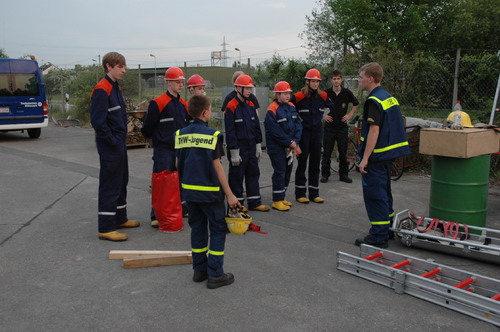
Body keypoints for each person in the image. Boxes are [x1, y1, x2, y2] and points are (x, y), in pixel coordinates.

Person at [175, 94, 240, 289]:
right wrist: (230, 194)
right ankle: (216, 274)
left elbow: (178, 164)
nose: (211, 112)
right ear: (205, 113)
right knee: (218, 230)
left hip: (189, 193)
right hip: (210, 193)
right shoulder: (213, 135)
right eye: (210, 109)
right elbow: (218, 167)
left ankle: (199, 270)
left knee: (198, 229)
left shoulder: (180, 134)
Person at [354, 62, 410, 248]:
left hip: (377, 156)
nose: (359, 80)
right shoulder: (388, 97)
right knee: (385, 192)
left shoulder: (374, 100)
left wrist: (365, 158)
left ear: (371, 78)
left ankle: (378, 236)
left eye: (361, 77)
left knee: (375, 195)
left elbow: (374, 131)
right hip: (389, 154)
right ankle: (388, 229)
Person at [90, 52, 140, 241]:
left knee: (121, 181)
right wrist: (111, 141)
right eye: (120, 67)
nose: (124, 70)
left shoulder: (115, 87)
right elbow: (98, 122)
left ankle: (120, 218)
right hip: (110, 145)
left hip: (119, 143)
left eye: (124, 66)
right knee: (110, 184)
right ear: (109, 66)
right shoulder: (102, 89)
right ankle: (106, 227)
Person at [142, 67, 191, 227]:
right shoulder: (159, 103)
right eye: (177, 81)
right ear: (168, 82)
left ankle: (179, 209)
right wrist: (158, 140)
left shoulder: (183, 105)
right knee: (162, 181)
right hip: (164, 150)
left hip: (180, 149)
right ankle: (155, 215)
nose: (180, 85)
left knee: (180, 181)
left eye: (182, 82)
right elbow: (147, 128)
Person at [224, 74, 270, 212]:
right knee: (236, 176)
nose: (250, 91)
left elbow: (256, 126)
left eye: (250, 88)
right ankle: (237, 205)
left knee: (253, 173)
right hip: (238, 147)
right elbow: (230, 130)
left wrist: (258, 144)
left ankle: (254, 202)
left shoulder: (250, 104)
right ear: (238, 88)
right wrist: (233, 151)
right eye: (247, 88)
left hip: (251, 146)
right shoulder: (231, 106)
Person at [291, 68, 334, 204]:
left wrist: (323, 114)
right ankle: (300, 193)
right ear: (307, 81)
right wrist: (296, 121)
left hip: (317, 133)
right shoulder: (299, 96)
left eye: (317, 81)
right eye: (312, 81)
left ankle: (314, 193)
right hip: (303, 134)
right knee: (302, 164)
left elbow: (331, 106)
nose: (315, 84)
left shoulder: (323, 96)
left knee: (315, 164)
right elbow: (289, 108)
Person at [264, 81, 303, 211]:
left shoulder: (291, 106)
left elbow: (298, 125)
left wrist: (295, 141)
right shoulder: (272, 109)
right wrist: (289, 142)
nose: (287, 96)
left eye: (288, 93)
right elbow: (275, 131)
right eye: (285, 93)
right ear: (277, 94)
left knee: (287, 171)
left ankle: (282, 196)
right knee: (280, 171)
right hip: (277, 147)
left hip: (290, 145)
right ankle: (277, 200)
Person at [321, 70, 359, 184]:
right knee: (327, 151)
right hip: (329, 127)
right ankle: (325, 174)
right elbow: (317, 105)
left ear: (341, 79)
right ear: (331, 80)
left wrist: (349, 115)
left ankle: (343, 175)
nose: (336, 81)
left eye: (338, 78)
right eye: (334, 79)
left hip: (342, 126)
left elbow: (356, 104)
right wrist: (323, 115)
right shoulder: (326, 93)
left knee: (343, 151)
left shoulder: (347, 93)